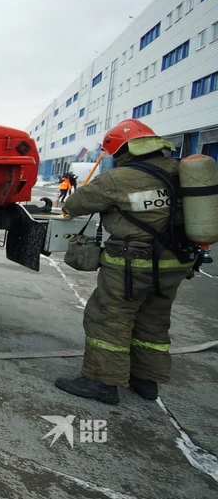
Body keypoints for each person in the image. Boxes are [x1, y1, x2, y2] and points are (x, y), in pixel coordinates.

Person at [55, 119, 198, 405]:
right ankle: (146, 381)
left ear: (122, 150)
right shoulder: (182, 172)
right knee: (154, 320)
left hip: (132, 264)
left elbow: (74, 205)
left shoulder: (118, 179)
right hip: (176, 262)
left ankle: (101, 382)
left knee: (109, 318)